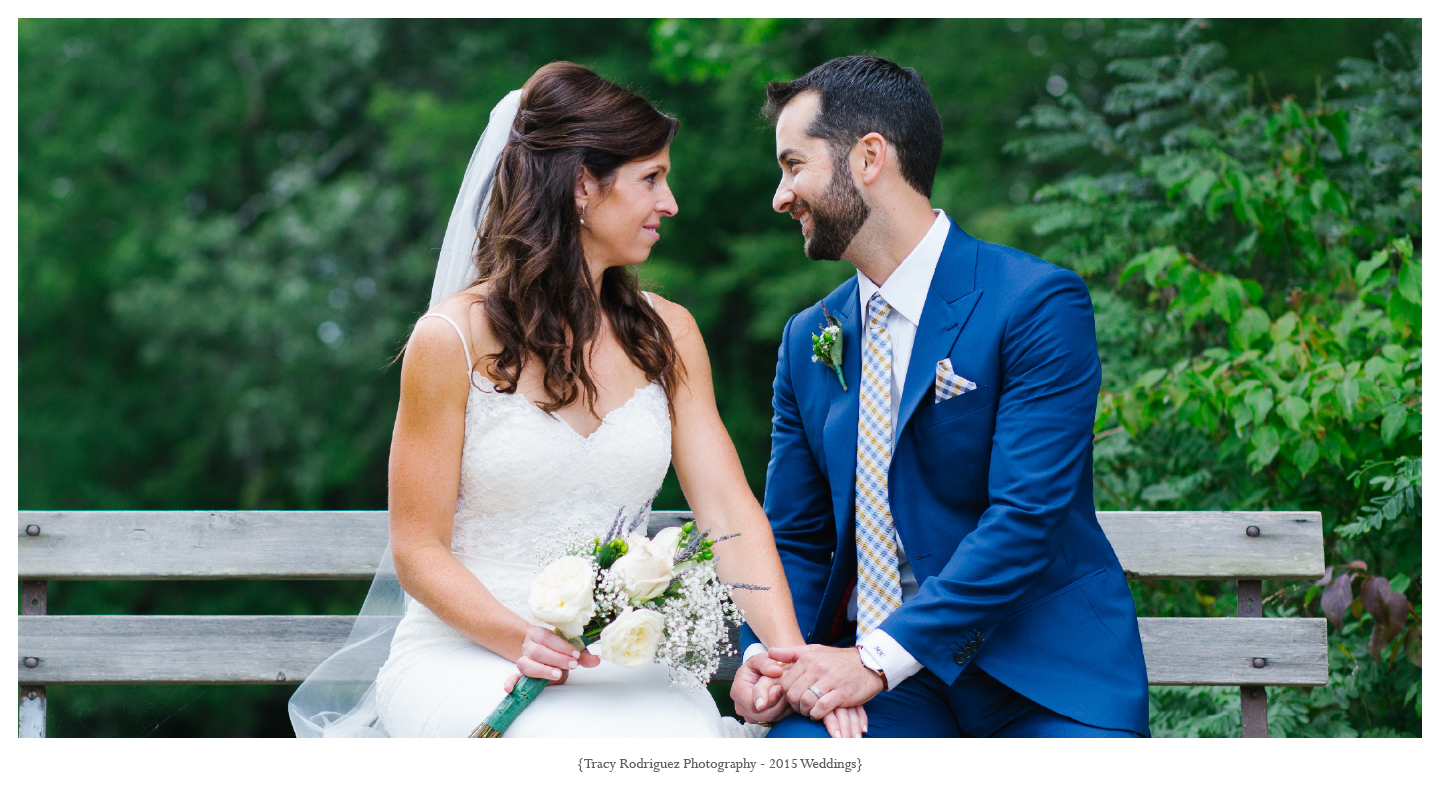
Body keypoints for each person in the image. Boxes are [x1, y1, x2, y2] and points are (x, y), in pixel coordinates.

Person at [290, 61, 868, 738]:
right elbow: (417, 549)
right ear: (581, 186)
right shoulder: (449, 340)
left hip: (618, 662)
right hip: (470, 652)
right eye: (651, 178)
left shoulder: (669, 334)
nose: (670, 202)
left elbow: (729, 512)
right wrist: (517, 637)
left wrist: (785, 657)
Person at [729, 56, 1152, 738]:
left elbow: (1026, 519)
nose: (781, 195)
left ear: (869, 157)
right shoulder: (811, 339)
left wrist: (873, 659)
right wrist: (772, 660)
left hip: (1038, 679)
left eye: (793, 164)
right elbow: (800, 540)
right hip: (878, 696)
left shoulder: (1034, 302)